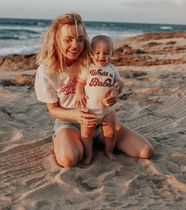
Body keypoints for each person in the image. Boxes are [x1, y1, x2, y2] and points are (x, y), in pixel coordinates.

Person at [35, 13, 154, 168]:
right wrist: (76, 115)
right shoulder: (46, 70)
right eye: (68, 40)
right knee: (69, 159)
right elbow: (53, 110)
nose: (75, 45)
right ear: (56, 40)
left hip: (100, 119)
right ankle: (73, 139)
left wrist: (115, 92)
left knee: (146, 151)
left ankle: (93, 139)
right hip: (69, 122)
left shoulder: (91, 59)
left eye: (80, 39)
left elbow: (112, 80)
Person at [75, 35, 124, 165]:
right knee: (87, 135)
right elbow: (80, 82)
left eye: (106, 53)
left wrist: (118, 85)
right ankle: (88, 156)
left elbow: (119, 81)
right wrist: (79, 94)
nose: (102, 56)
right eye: (97, 53)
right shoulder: (88, 68)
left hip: (107, 111)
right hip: (90, 110)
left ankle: (109, 151)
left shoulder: (112, 69)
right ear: (91, 53)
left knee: (111, 133)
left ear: (112, 53)